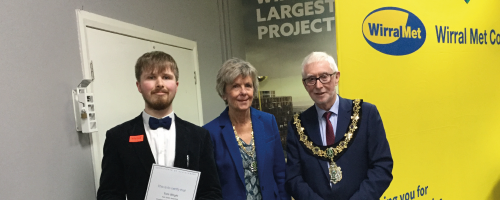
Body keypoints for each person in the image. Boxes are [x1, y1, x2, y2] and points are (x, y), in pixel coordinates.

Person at [96, 51, 222, 200]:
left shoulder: (200, 136)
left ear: (176, 85)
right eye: (151, 77)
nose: (160, 84)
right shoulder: (117, 138)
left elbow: (211, 191)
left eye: (166, 77)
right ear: (139, 86)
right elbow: (109, 194)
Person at [285, 52, 393, 199]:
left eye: (324, 76)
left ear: (336, 77)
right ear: (304, 84)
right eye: (311, 79)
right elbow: (293, 178)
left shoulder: (366, 114)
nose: (318, 85)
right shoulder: (298, 125)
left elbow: (382, 166)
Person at [203, 58, 290, 200]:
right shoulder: (210, 133)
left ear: (253, 91)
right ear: (223, 93)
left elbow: (280, 172)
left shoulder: (268, 122)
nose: (243, 92)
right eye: (236, 86)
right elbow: (210, 186)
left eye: (248, 85)